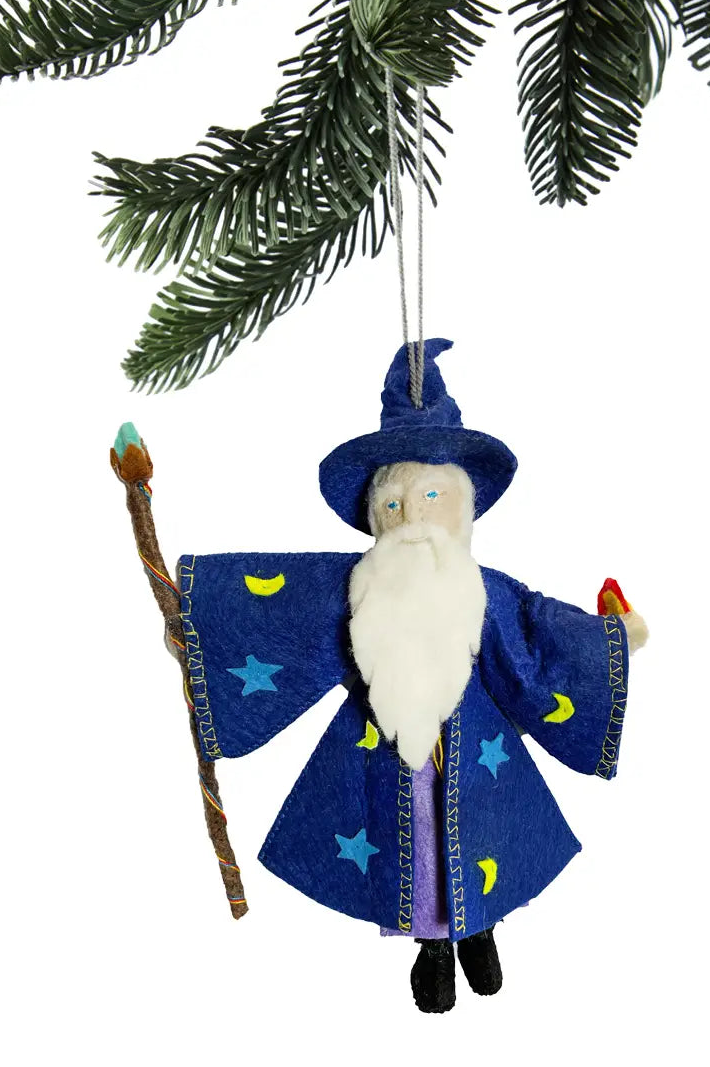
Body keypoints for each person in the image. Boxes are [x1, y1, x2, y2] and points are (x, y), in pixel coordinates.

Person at [169, 339, 649, 1011]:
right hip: (381, 752)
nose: (414, 517)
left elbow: (539, 635)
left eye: (430, 496)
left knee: (481, 834)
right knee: (413, 845)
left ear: (461, 504)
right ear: (375, 513)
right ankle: (433, 948)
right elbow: (277, 606)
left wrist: (609, 640)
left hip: (479, 752)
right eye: (395, 505)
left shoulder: (483, 590)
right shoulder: (356, 585)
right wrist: (200, 623)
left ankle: (479, 931)